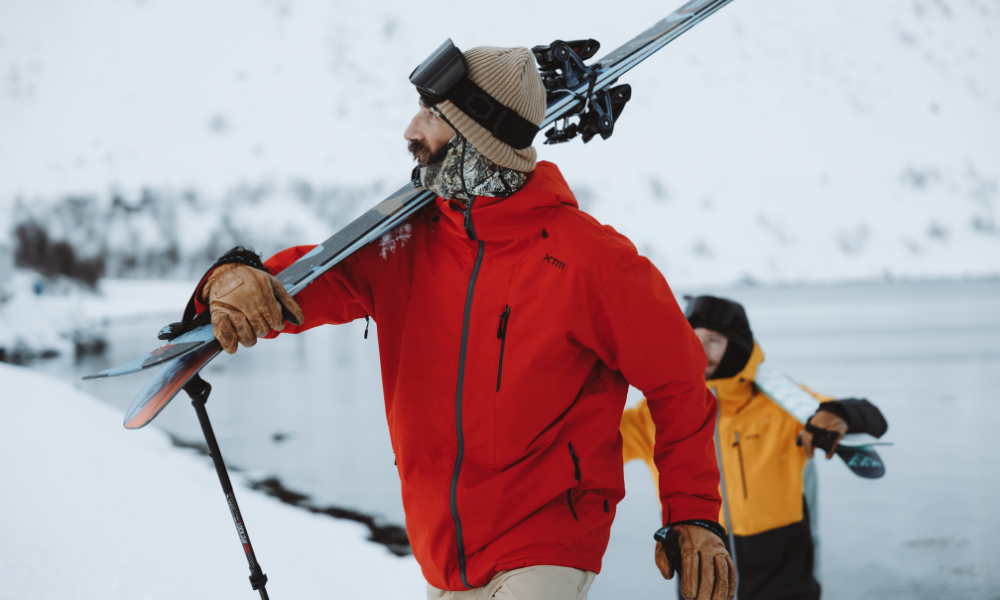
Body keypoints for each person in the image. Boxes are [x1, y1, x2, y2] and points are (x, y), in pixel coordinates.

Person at [187, 43, 735, 599]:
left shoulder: (593, 262)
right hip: (442, 555)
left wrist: (693, 513)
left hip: (546, 544)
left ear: (479, 135)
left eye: (431, 114)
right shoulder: (402, 246)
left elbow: (679, 381)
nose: (409, 129)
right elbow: (287, 292)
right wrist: (232, 279)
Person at [620, 295, 888, 600]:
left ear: (735, 345)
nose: (702, 350)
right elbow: (590, 443)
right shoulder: (655, 416)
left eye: (714, 340)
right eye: (694, 339)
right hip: (701, 569)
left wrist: (840, 415)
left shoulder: (782, 406)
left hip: (783, 574)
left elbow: (870, 416)